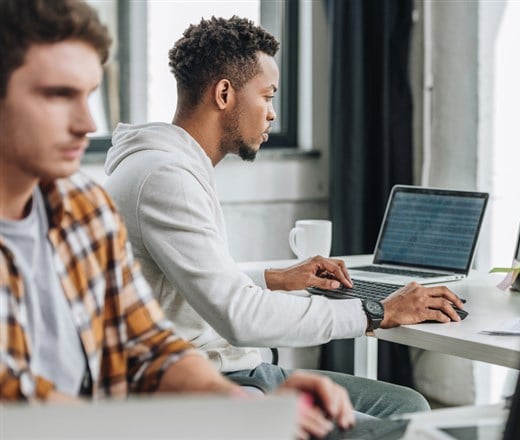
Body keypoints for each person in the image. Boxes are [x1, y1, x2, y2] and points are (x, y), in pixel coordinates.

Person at [0, 1, 354, 438]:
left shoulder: (84, 214)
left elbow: (150, 344)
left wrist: (236, 402)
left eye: (88, 95)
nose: (86, 123)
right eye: (58, 95)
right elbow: (21, 409)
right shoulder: (159, 177)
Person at [104, 15, 466, 418]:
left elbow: (189, 285)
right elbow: (240, 318)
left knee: (407, 405)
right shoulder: (164, 177)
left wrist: (274, 280)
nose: (273, 113)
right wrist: (378, 311)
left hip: (238, 369)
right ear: (224, 93)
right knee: (404, 426)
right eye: (267, 96)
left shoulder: (169, 165)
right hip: (214, 386)